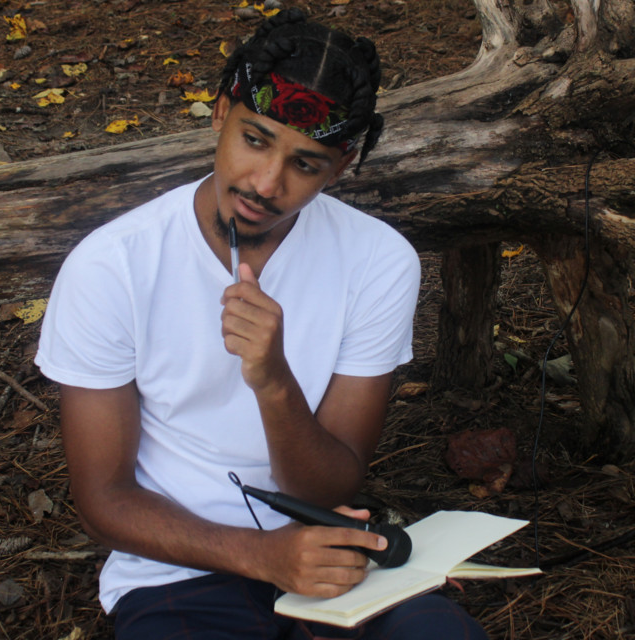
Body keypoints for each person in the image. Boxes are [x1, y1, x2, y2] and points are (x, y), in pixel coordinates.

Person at [36, 8, 488, 640]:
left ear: (340, 166)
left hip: (325, 551)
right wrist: (261, 555)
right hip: (176, 569)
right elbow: (104, 501)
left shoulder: (378, 261)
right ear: (220, 113)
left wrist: (274, 382)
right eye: (254, 139)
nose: (266, 183)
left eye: (305, 164)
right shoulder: (113, 265)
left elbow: (331, 485)